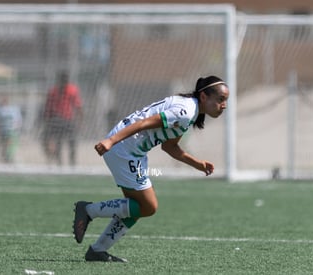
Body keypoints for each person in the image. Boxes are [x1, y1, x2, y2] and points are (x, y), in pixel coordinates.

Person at [73, 75, 229, 262]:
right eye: (220, 99)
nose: (224, 105)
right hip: (124, 150)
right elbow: (143, 123)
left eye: (225, 100)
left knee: (138, 207)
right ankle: (89, 210)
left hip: (133, 152)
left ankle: (98, 250)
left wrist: (198, 164)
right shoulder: (185, 111)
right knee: (148, 206)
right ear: (204, 96)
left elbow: (169, 146)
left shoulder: (190, 110)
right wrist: (110, 141)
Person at [42, 71, 82, 166]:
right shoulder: (53, 92)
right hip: (57, 120)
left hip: (69, 120)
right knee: (58, 143)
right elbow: (48, 107)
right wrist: (47, 120)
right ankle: (59, 163)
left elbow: (78, 105)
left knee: (72, 142)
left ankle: (72, 163)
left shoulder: (72, 90)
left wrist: (80, 119)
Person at [0, 95, 22, 163]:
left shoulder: (13, 109)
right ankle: (6, 160)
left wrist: (16, 129)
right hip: (5, 131)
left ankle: (9, 159)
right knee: (4, 147)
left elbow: (18, 121)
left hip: (11, 131)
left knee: (9, 147)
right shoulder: (0, 110)